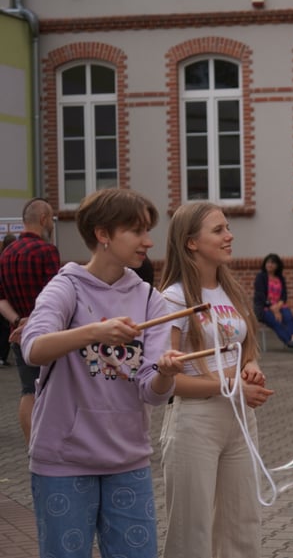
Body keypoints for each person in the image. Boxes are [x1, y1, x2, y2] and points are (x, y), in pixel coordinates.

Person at [19, 188, 184, 558]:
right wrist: (94, 332)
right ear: (103, 234)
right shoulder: (66, 286)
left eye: (147, 230)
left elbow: (152, 391)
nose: (148, 241)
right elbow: (33, 348)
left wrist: (165, 373)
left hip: (128, 460)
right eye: (137, 231)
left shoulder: (149, 298)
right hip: (62, 461)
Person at [158, 201, 274, 558]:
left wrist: (250, 368)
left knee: (242, 525)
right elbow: (167, 382)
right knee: (191, 532)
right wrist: (231, 385)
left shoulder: (231, 291)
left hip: (239, 418)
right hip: (195, 420)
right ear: (191, 242)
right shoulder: (173, 298)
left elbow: (244, 350)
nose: (229, 236)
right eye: (218, 230)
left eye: (228, 228)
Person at [0, 199, 60, 445]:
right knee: (54, 390)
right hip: (48, 334)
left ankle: (32, 447)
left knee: (28, 391)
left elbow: (1, 299)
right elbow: (55, 297)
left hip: (18, 335)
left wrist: (18, 321)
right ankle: (52, 446)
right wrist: (34, 321)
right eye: (51, 218)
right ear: (44, 219)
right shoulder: (47, 251)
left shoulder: (6, 253)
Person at [254, 253, 293, 352]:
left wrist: (278, 307)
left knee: (288, 316)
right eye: (268, 262)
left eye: (273, 263)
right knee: (276, 322)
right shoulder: (261, 277)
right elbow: (260, 296)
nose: (270, 265)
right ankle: (290, 342)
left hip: (279, 306)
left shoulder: (280, 278)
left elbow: (284, 296)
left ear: (277, 265)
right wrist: (274, 310)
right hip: (265, 308)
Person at [0, 233, 16, 366]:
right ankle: (2, 356)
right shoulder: (10, 259)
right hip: (6, 301)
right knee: (4, 329)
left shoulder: (3, 258)